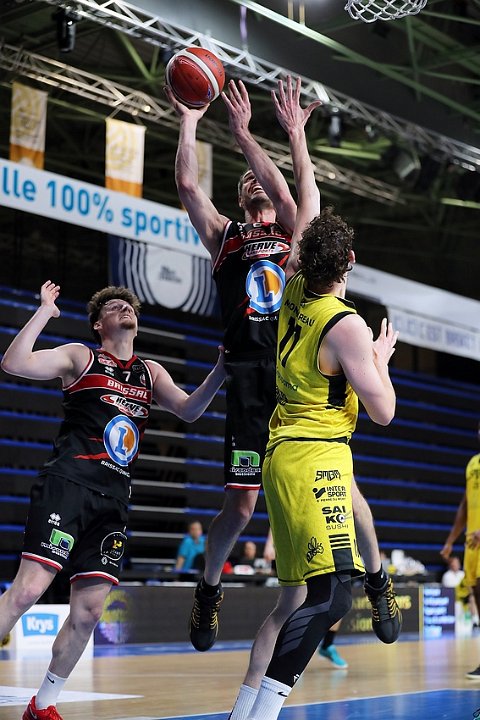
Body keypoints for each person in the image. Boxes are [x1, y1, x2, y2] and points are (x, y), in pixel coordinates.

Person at [166, 77, 400, 655]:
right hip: (248, 377)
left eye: (259, 177)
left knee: (348, 488)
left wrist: (252, 137)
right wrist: (191, 117)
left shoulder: (294, 240)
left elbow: (296, 188)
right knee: (241, 505)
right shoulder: (225, 236)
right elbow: (188, 184)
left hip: (296, 373)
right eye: (246, 179)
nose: (254, 181)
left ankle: (378, 582)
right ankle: (209, 588)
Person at [229, 76, 400, 720]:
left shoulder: (292, 284)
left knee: (294, 601)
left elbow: (302, 198)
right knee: (331, 597)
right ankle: (266, 711)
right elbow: (384, 412)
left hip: (284, 450)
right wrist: (380, 360)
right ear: (350, 260)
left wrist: (267, 137)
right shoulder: (346, 324)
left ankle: (244, 712)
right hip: (314, 459)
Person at [0, 280, 225, 720]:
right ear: (98, 324)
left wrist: (220, 369)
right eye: (114, 306)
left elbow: (189, 410)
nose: (125, 309)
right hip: (68, 485)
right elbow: (13, 362)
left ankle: (42, 705)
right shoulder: (80, 357)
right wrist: (45, 311)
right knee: (26, 592)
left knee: (88, 612)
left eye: (129, 306)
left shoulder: (150, 372)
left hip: (114, 500)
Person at [441, 427, 480, 678]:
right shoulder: (473, 463)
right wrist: (450, 540)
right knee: (478, 597)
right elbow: (465, 505)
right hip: (472, 544)